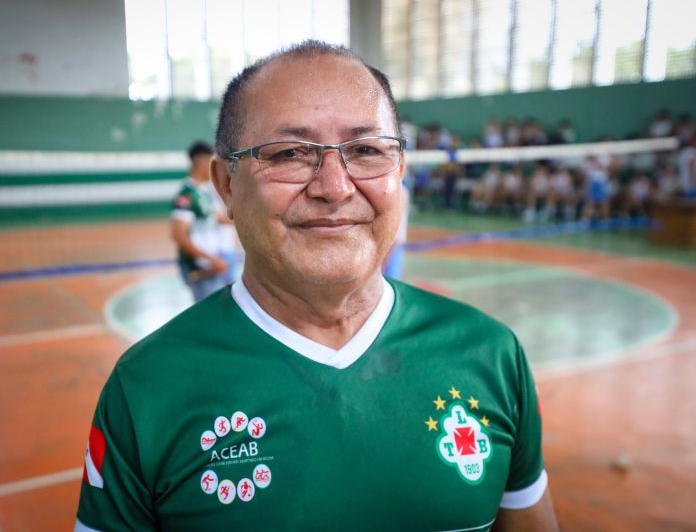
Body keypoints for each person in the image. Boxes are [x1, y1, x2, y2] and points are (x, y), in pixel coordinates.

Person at [75, 40, 558, 531]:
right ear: (226, 186)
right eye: (289, 154)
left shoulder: (491, 355)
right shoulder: (148, 388)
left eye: (367, 150)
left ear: (400, 172)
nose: (335, 187)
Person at [170, 141, 231, 302]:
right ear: (201, 162)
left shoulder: (203, 191)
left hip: (213, 263)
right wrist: (211, 259)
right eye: (212, 162)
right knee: (212, 316)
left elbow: (218, 219)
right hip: (201, 267)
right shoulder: (187, 195)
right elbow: (179, 235)